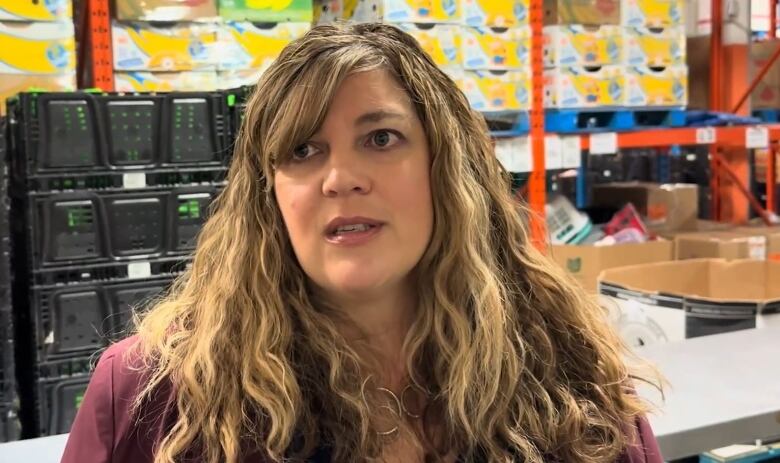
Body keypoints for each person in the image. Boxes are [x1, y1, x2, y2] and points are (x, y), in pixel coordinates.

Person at [62, 23, 663, 463]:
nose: (340, 177)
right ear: (268, 194)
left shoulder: (570, 375)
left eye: (380, 138)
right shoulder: (154, 395)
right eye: (303, 150)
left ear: (446, 167)